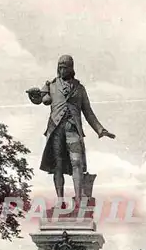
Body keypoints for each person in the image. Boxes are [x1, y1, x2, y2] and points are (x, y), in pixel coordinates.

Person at [26, 55, 116, 205]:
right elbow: (41, 101)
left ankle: (79, 200)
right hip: (55, 129)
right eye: (60, 67)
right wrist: (34, 95)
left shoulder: (80, 89)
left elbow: (88, 112)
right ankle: (60, 201)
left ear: (71, 68)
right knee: (57, 166)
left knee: (77, 162)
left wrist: (100, 130)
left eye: (65, 67)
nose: (62, 70)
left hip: (73, 128)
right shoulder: (51, 85)